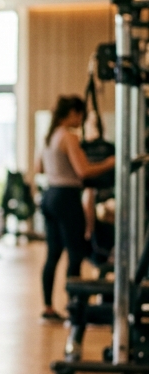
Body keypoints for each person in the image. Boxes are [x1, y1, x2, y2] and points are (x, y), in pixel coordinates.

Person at [38, 95, 114, 321]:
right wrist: (110, 163)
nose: (80, 120)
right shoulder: (69, 137)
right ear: (72, 113)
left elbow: (38, 168)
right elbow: (83, 171)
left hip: (50, 195)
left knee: (53, 254)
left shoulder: (49, 137)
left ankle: (49, 307)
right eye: (80, 115)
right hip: (66, 196)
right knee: (76, 252)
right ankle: (75, 307)